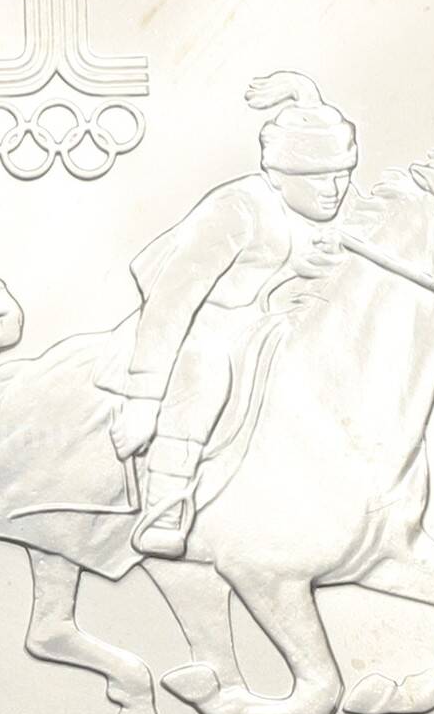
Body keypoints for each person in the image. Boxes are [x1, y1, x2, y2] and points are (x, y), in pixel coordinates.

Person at [105, 71, 359, 558]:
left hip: (271, 322)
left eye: (343, 173)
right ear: (278, 175)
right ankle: (165, 502)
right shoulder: (238, 208)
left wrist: (309, 97)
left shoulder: (330, 206)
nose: (335, 188)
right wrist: (143, 401)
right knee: (205, 364)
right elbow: (172, 300)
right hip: (204, 323)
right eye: (318, 177)